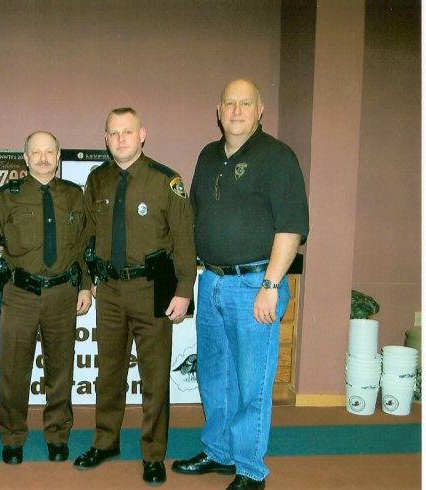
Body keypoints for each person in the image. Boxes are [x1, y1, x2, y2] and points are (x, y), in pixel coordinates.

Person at [172, 79, 309, 490]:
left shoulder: (278, 157)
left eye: (245, 103)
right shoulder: (208, 156)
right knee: (215, 376)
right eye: (229, 104)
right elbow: (194, 217)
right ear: (218, 111)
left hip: (256, 284)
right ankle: (218, 451)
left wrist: (271, 285)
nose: (236, 111)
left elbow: (292, 228)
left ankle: (250, 469)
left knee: (253, 381)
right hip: (211, 280)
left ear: (260, 109)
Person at [74, 107, 197, 485]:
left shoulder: (166, 180)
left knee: (155, 376)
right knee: (108, 373)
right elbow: (85, 237)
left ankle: (153, 454)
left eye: (127, 131)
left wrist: (183, 291)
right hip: (109, 290)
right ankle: (106, 442)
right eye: (113, 133)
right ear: (106, 138)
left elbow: (185, 241)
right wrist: (85, 280)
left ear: (142, 133)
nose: (121, 139)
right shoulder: (97, 181)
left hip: (152, 290)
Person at [0, 131, 93, 465]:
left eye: (49, 152)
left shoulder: (74, 195)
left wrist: (85, 284)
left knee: (60, 371)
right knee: (14, 371)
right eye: (36, 153)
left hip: (62, 294)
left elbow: (84, 244)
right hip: (20, 294)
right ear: (25, 159)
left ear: (58, 157)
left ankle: (58, 435)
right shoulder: (8, 196)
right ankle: (12, 437)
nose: (43, 159)